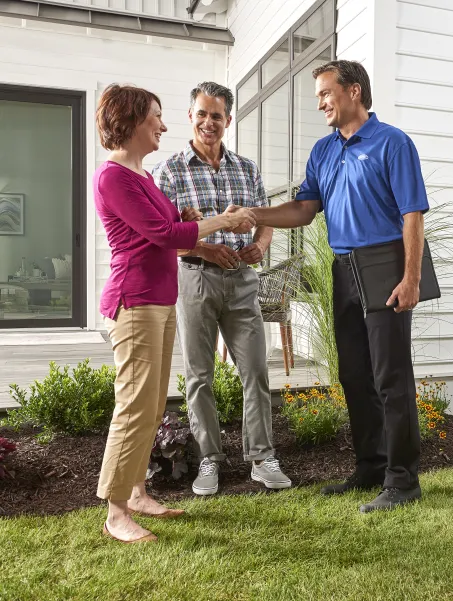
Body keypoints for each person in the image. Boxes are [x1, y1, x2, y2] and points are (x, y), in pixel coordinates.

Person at [251, 60, 429, 513]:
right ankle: (371, 466)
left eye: (326, 93)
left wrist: (411, 278)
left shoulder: (393, 142)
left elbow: (412, 214)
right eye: (318, 97)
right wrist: (255, 214)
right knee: (352, 375)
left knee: (391, 377)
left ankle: (403, 480)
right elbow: (305, 209)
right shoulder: (323, 151)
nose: (321, 103)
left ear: (353, 91)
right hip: (342, 267)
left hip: (386, 264)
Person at [94, 84, 255, 543]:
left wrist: (186, 215)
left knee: (151, 405)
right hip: (135, 301)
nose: (163, 126)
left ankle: (138, 491)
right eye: (155, 118)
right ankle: (115, 511)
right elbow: (166, 234)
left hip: (160, 299)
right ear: (131, 121)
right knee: (133, 406)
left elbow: (172, 226)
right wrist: (222, 221)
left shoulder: (141, 175)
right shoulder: (113, 177)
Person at [152, 82, 291, 497]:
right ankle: (209, 458)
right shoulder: (170, 171)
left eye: (217, 115)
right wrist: (204, 249)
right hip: (195, 278)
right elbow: (164, 234)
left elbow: (265, 216)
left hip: (243, 282)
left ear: (228, 120)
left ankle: (262, 458)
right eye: (201, 114)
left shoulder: (246, 169)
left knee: (255, 371)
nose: (208, 122)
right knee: (199, 375)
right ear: (190, 116)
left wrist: (261, 245)